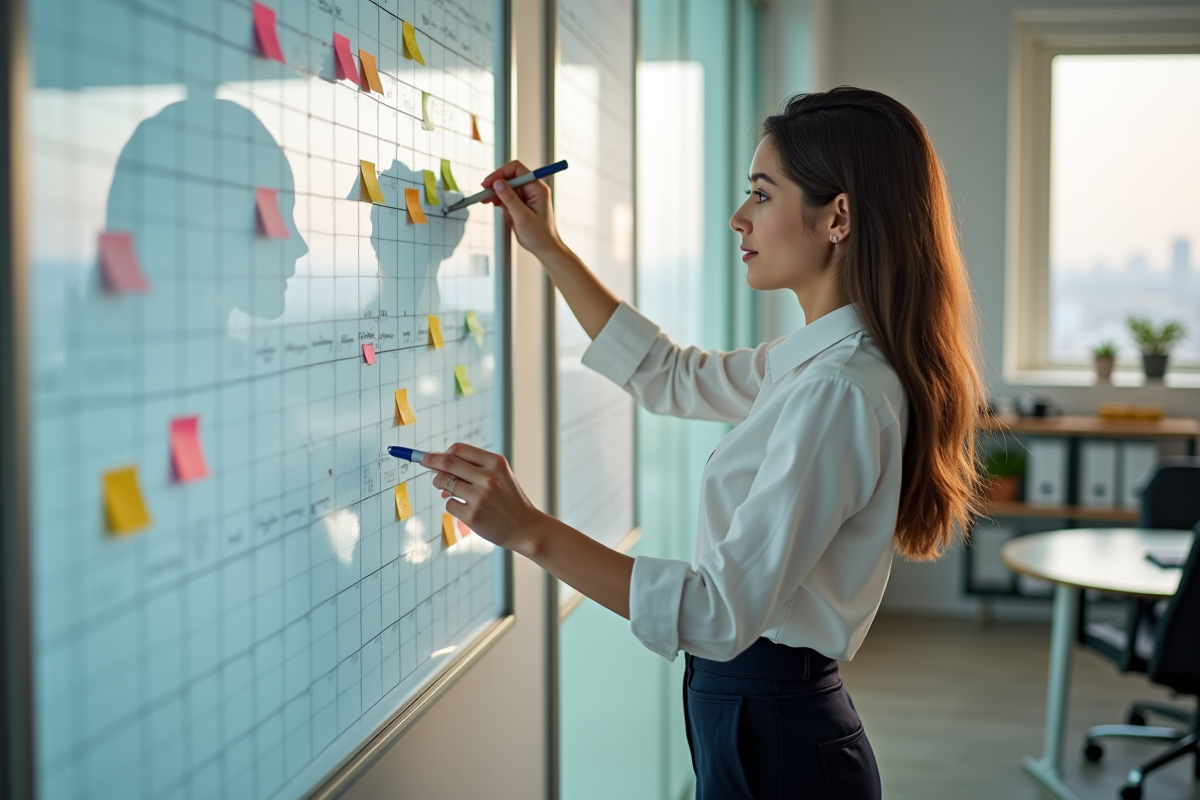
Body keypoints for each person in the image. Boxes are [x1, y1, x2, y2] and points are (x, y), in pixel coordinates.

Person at [421, 86, 984, 798]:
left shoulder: (837, 390)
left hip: (778, 735)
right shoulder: (818, 365)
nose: (738, 217)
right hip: (756, 716)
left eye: (762, 194)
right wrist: (549, 247)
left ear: (837, 217)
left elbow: (717, 613)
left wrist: (528, 530)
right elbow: (670, 376)